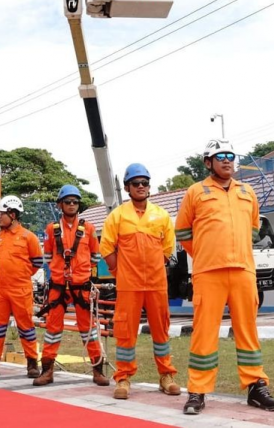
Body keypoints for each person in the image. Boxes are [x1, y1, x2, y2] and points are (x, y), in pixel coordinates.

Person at [175, 139, 274, 415]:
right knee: (204, 333)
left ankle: (256, 387)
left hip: (244, 271)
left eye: (230, 156)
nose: (226, 160)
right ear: (208, 162)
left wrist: (237, 248)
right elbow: (183, 231)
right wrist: (206, 252)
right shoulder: (196, 192)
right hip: (208, 273)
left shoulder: (248, 192)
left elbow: (255, 228)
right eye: (219, 156)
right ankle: (197, 391)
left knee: (248, 331)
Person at [100, 163, 181, 400]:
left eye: (145, 183)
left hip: (156, 284)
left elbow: (168, 248)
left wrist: (154, 268)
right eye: (136, 183)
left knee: (161, 330)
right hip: (129, 285)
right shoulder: (117, 215)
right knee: (125, 332)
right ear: (127, 187)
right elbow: (106, 247)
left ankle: (166, 376)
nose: (141, 187)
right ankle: (123, 378)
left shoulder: (162, 215)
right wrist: (119, 271)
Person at [33, 184, 110, 387]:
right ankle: (47, 371)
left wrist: (80, 273)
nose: (72, 205)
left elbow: (96, 256)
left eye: (75, 202)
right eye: (68, 202)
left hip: (81, 287)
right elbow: (48, 257)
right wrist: (62, 272)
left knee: (90, 330)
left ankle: (98, 370)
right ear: (60, 205)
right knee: (52, 330)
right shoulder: (51, 229)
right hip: (58, 287)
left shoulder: (89, 228)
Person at [0, 195, 43, 379]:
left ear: (13, 214)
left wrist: (22, 275)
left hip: (21, 289)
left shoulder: (28, 237)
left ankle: (32, 363)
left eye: (1, 214)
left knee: (26, 327)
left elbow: (37, 262)